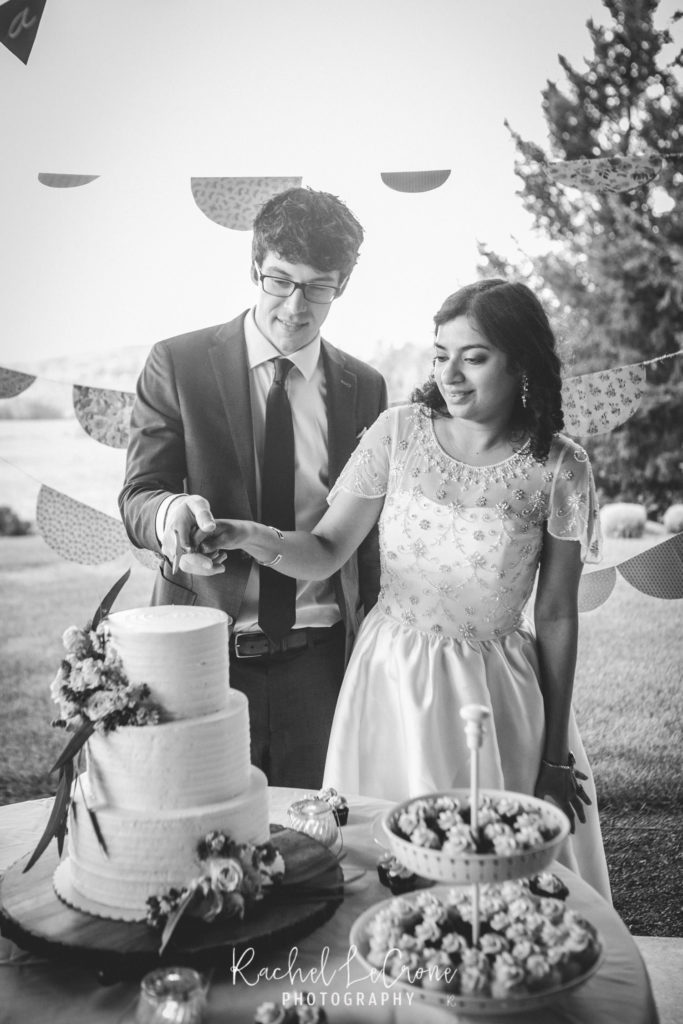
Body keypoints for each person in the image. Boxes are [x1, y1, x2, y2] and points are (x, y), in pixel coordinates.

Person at [200, 278, 612, 899]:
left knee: (493, 879)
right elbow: (326, 549)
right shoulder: (398, 433)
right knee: (377, 872)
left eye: (474, 357)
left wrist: (554, 754)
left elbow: (555, 614)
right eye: (441, 355)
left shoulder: (560, 466)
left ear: (521, 362)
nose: (451, 375)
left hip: (496, 696)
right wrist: (249, 535)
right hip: (388, 680)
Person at [119, 187, 388, 789]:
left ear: (342, 285)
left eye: (318, 287)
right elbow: (139, 494)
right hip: (204, 654)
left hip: (322, 664)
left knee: (318, 832)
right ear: (254, 268)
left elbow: (368, 538)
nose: (296, 305)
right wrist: (170, 512)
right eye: (280, 281)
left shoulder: (365, 387)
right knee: (202, 826)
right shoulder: (178, 363)